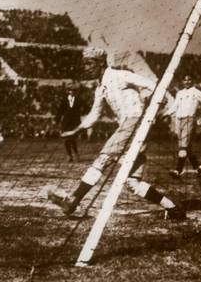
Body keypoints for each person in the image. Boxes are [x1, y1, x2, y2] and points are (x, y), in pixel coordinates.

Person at [48, 50, 185, 220]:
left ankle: (73, 201)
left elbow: (152, 85)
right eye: (85, 63)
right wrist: (76, 131)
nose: (86, 67)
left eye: (90, 63)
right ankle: (172, 208)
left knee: (102, 160)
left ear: (101, 63)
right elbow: (94, 115)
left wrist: (165, 106)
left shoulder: (120, 75)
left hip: (134, 123)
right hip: (131, 128)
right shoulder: (100, 88)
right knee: (132, 183)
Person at [167, 74, 201, 177]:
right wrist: (165, 114)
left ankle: (178, 170)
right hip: (179, 120)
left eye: (189, 79)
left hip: (189, 119)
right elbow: (175, 106)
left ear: (192, 80)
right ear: (182, 81)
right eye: (185, 80)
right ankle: (198, 168)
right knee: (187, 147)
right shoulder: (180, 93)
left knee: (183, 146)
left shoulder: (196, 92)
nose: (187, 82)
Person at [56, 87, 83, 162]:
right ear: (68, 91)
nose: (72, 92)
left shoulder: (78, 100)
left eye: (73, 90)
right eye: (70, 90)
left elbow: (84, 108)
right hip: (66, 122)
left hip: (74, 122)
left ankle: (76, 154)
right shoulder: (64, 100)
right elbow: (60, 111)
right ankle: (69, 155)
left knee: (72, 139)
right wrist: (57, 120)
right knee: (66, 139)